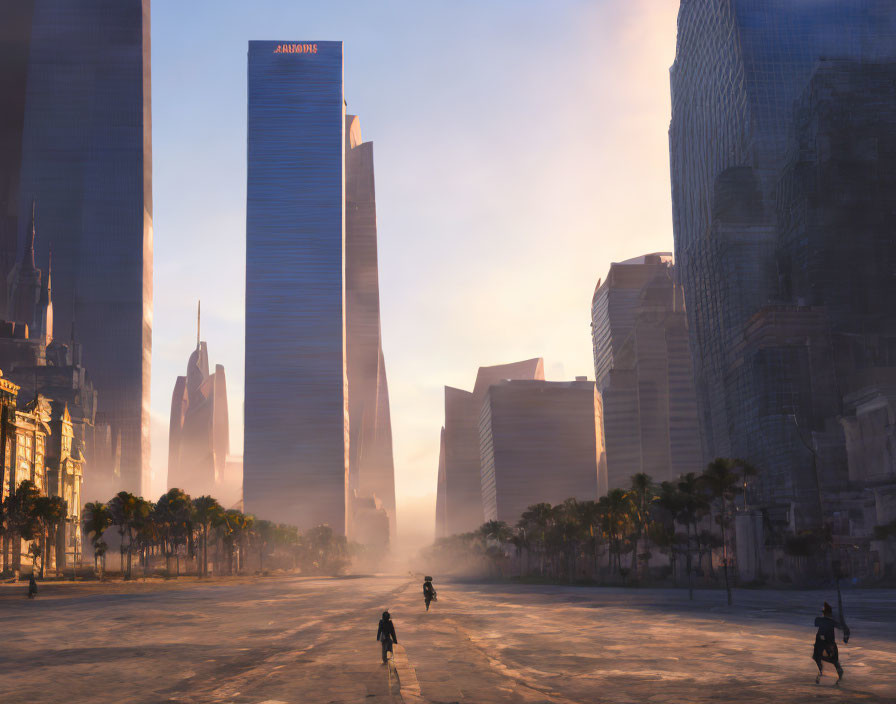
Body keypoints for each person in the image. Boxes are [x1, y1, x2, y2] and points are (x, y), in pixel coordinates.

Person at [813, 602, 849, 684]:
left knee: (821, 658)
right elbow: (844, 628)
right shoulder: (827, 621)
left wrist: (845, 636)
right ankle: (824, 672)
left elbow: (844, 628)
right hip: (826, 643)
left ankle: (826, 673)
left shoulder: (826, 621)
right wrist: (845, 637)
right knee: (820, 658)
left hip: (826, 644)